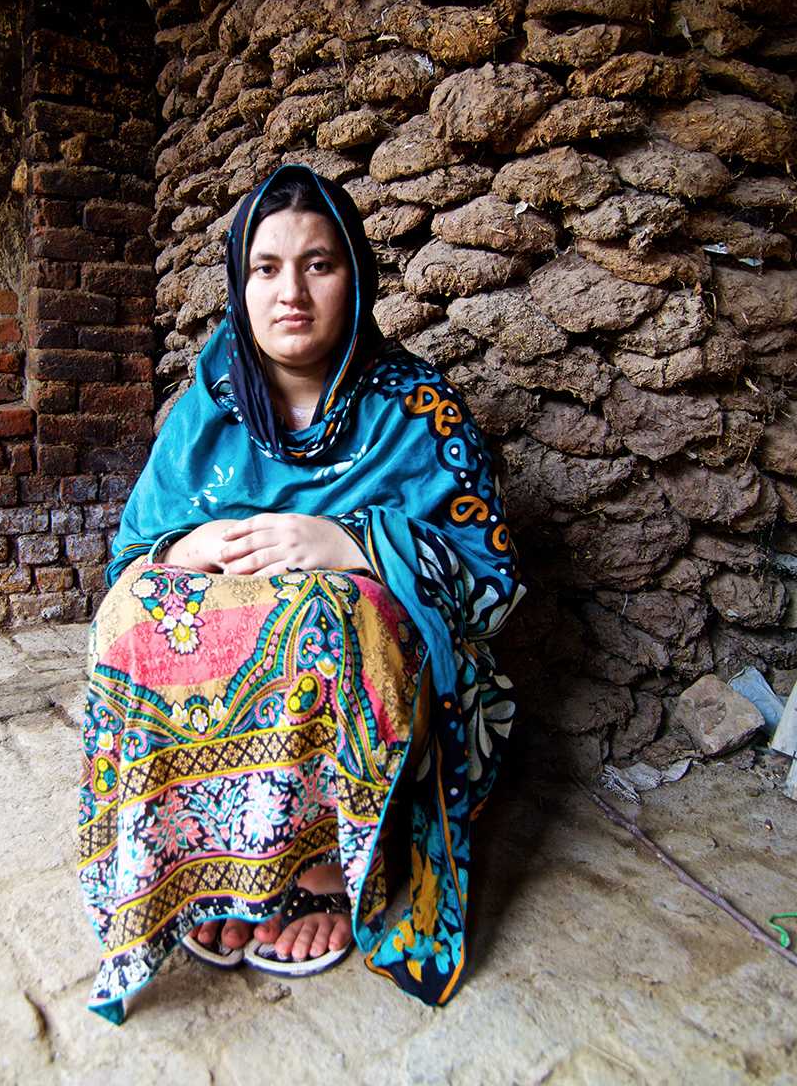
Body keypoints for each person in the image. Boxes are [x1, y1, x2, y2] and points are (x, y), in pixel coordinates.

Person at [77, 163, 523, 1024]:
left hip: (378, 690)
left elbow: (493, 581)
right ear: (239, 285)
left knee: (325, 609)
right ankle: (204, 858)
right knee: (141, 612)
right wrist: (183, 547)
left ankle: (321, 868)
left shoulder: (417, 411)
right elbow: (128, 561)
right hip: (220, 685)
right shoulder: (205, 411)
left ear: (356, 277)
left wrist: (352, 545)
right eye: (266, 267)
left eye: (319, 264)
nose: (292, 293)